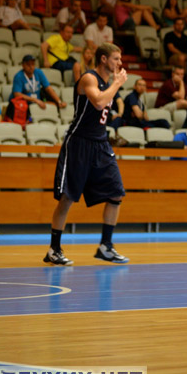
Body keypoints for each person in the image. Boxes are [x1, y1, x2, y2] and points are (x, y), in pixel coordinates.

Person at [47, 42, 129, 266]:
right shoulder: (89, 79)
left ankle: (106, 246)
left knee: (116, 193)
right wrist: (117, 84)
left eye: (120, 59)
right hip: (79, 143)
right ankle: (54, 249)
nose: (120, 64)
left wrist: (114, 85)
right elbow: (100, 101)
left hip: (100, 144)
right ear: (103, 59)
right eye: (116, 59)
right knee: (67, 199)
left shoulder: (106, 82)